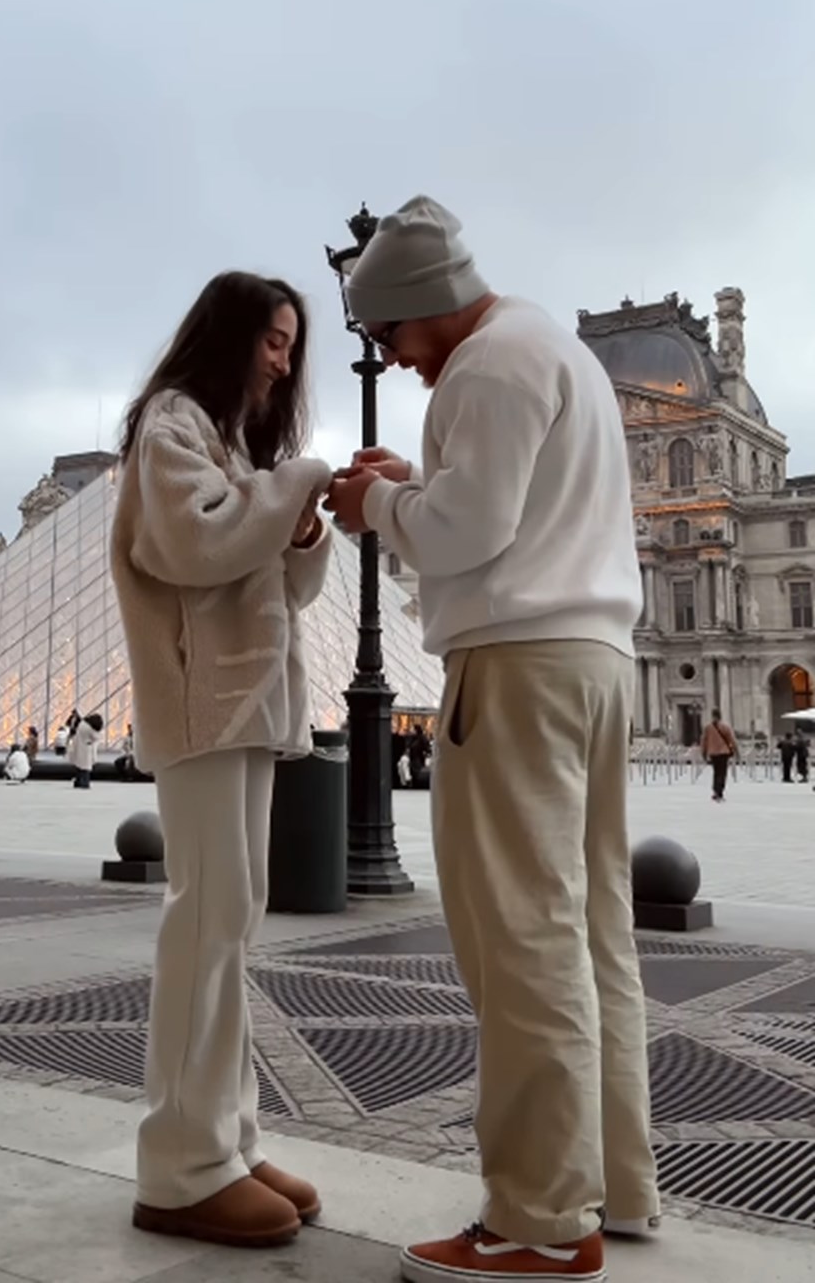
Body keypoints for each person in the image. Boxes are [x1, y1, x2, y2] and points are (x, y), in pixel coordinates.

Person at [326, 197, 658, 1283]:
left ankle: (538, 1217)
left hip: (516, 668)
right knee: (589, 922)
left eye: (386, 334)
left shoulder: (484, 367)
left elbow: (471, 533)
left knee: (517, 937)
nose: (393, 358)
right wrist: (411, 487)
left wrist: (374, 507)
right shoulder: (551, 348)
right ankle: (606, 1175)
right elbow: (502, 509)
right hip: (595, 661)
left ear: (421, 306)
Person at [111, 271, 331, 1250]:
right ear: (228, 334)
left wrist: (301, 531)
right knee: (205, 919)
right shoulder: (171, 425)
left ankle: (228, 1141)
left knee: (230, 918)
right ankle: (181, 1164)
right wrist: (297, 485)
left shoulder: (230, 440)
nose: (283, 358)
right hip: (202, 697)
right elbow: (192, 544)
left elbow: (266, 567)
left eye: (292, 342)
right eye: (272, 338)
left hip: (241, 698)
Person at [701, 708, 737, 802]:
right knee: (722, 772)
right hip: (724, 752)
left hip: (713, 753)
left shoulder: (708, 728)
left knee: (716, 772)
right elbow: (732, 740)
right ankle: (719, 791)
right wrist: (736, 751)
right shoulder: (725, 727)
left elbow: (704, 741)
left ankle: (716, 790)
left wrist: (703, 753)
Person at [68, 712, 102, 789]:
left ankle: (78, 782)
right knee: (86, 768)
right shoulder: (90, 729)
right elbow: (96, 737)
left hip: (78, 747)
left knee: (79, 767)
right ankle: (84, 783)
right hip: (86, 749)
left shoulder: (82, 724)